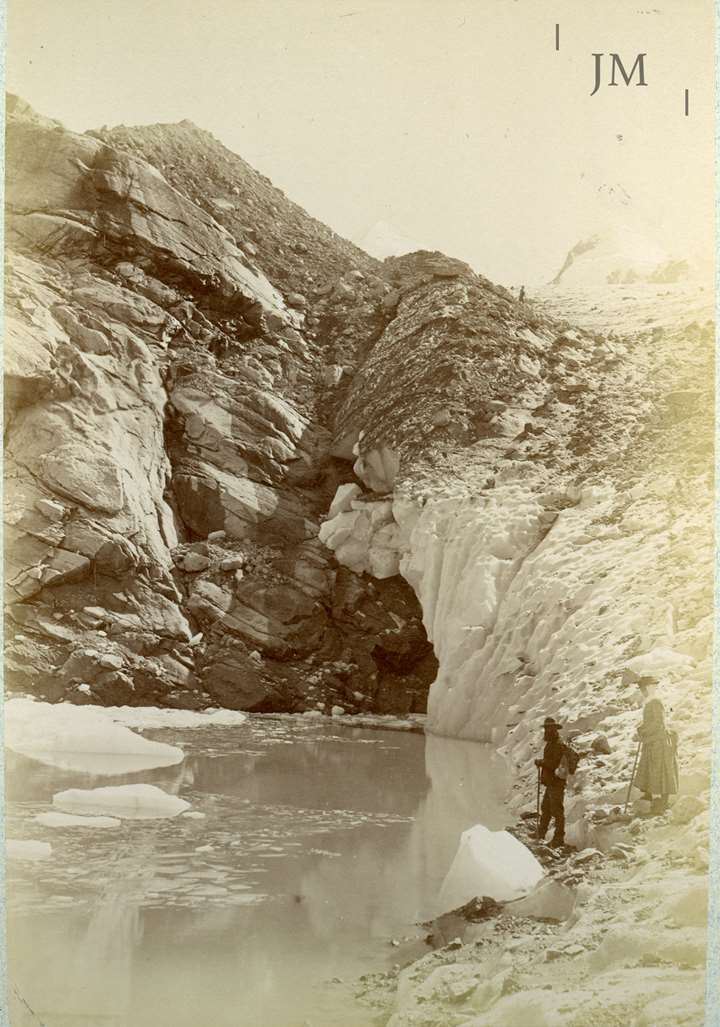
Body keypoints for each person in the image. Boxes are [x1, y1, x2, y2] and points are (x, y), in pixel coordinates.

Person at [633, 692, 679, 814]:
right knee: (651, 770)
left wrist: (643, 731)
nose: (642, 691)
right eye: (641, 688)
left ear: (651, 687)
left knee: (662, 771)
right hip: (653, 742)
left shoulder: (656, 702)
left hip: (660, 743)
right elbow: (651, 722)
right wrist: (642, 730)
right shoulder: (650, 702)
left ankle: (662, 802)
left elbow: (659, 724)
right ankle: (650, 797)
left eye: (643, 687)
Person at [534, 716, 566, 847]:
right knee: (546, 808)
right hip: (552, 782)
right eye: (546, 728)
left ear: (554, 729)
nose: (547, 731)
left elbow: (554, 764)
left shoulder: (557, 744)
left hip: (556, 783)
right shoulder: (552, 743)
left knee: (557, 811)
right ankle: (541, 833)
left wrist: (541, 762)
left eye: (549, 728)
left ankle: (559, 839)